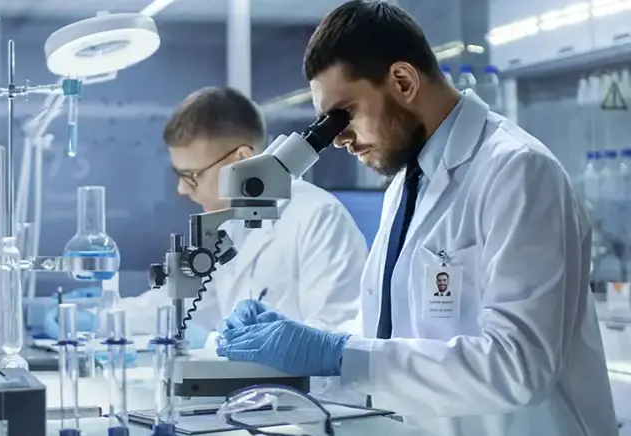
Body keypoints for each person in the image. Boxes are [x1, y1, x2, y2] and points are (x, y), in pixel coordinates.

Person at [216, 2, 616, 435]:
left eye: (342, 115)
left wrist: (336, 352)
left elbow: (517, 365)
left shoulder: (517, 171)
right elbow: (395, 334)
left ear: (403, 80)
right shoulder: (408, 183)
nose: (337, 140)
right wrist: (303, 339)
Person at [117, 86, 368, 343]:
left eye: (192, 176)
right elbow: (177, 305)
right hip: (242, 382)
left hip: (298, 384)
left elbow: (338, 336)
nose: (181, 189)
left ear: (241, 159)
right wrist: (101, 316)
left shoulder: (318, 217)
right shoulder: (227, 225)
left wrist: (238, 342)